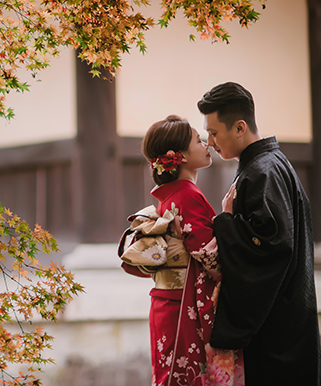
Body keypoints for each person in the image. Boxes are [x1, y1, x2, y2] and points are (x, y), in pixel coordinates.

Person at [198, 82, 321, 386]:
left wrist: (226, 223)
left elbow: (271, 250)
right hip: (290, 321)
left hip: (277, 332)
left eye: (214, 132)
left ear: (239, 127)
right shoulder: (270, 164)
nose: (210, 142)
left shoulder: (262, 172)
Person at [119, 115, 244, 386]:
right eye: (198, 140)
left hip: (169, 302)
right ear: (181, 156)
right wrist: (228, 219)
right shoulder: (187, 196)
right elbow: (211, 260)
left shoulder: (172, 195)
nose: (207, 144)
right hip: (183, 306)